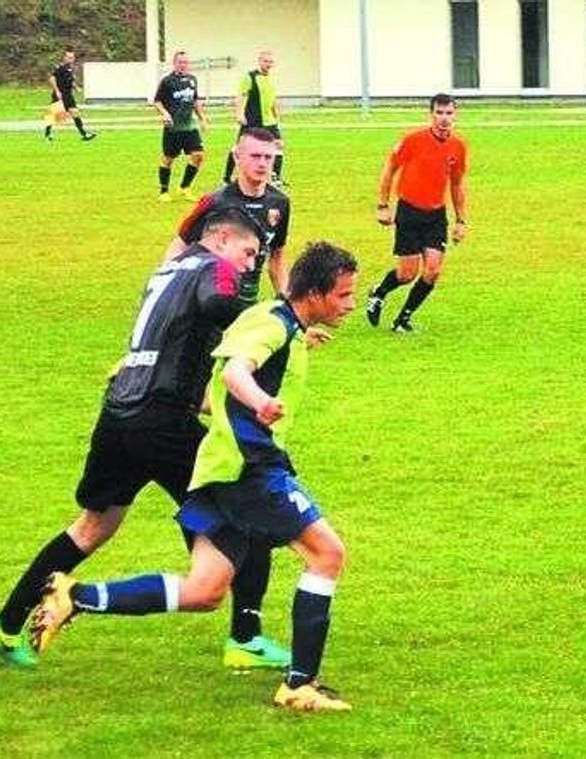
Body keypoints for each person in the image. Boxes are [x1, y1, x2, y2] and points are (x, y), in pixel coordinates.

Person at [31, 242, 359, 714]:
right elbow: (234, 377)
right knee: (327, 554)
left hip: (217, 469)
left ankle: (74, 596)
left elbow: (212, 388)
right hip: (251, 470)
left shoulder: (269, 318)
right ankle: (299, 684)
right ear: (314, 293)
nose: (349, 304)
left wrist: (277, 364)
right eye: (344, 295)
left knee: (205, 590)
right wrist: (259, 401)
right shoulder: (269, 325)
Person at [0, 208, 291, 670]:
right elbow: (222, 305)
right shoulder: (215, 268)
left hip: (120, 413)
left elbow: (177, 352)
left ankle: (1, 626)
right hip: (161, 421)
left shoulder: (165, 271)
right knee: (252, 504)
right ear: (220, 239)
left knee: (91, 528)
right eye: (247, 253)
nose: (249, 266)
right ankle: (245, 637)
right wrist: (273, 320)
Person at [364, 93, 468, 334]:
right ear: (431, 114)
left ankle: (402, 320)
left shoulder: (458, 147)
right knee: (406, 274)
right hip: (409, 212)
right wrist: (382, 205)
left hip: (435, 215)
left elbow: (456, 184)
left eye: (449, 113)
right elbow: (390, 169)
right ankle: (379, 292)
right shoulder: (413, 140)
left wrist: (461, 220)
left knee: (432, 271)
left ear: (456, 115)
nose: (444, 119)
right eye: (439, 113)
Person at [166, 128, 290, 305]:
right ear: (237, 158)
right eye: (255, 156)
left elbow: (277, 259)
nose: (262, 164)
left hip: (246, 306)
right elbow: (180, 245)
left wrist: (290, 308)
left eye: (268, 157)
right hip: (209, 304)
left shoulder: (280, 203)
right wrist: (170, 288)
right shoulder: (215, 202)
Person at [152, 51, 208, 202]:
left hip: (189, 126)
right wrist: (165, 114)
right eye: (180, 62)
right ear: (175, 63)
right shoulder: (167, 81)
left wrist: (202, 118)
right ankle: (164, 191)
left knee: (198, 155)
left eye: (186, 62)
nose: (183, 65)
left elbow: (195, 101)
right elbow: (157, 101)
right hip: (173, 128)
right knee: (168, 158)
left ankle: (184, 188)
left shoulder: (192, 79)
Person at [223, 50, 285, 186]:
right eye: (266, 61)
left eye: (270, 62)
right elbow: (242, 96)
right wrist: (239, 113)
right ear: (260, 61)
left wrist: (276, 114)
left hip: (269, 121)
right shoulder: (250, 77)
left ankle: (275, 178)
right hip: (253, 119)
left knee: (278, 145)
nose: (268, 64)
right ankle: (226, 179)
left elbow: (272, 98)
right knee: (239, 148)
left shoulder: (269, 78)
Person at [44, 50, 96, 142]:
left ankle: (84, 134)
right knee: (55, 115)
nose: (71, 59)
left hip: (69, 95)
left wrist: (76, 87)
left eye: (72, 57)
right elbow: (52, 78)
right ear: (64, 58)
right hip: (60, 95)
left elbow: (70, 80)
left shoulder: (70, 68)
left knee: (75, 114)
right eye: (69, 57)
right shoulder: (60, 68)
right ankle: (47, 135)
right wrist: (57, 91)